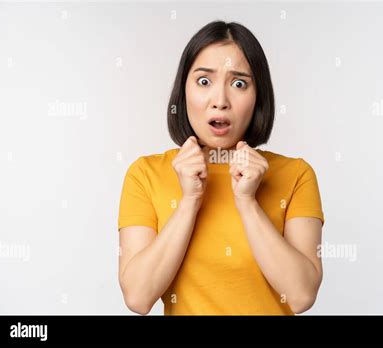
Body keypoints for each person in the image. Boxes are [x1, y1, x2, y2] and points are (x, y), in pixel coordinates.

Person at [117, 20, 325, 315]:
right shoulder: (146, 174)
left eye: (239, 83)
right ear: (183, 90)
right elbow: (138, 297)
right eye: (204, 81)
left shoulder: (296, 175)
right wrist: (189, 201)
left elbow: (301, 295)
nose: (220, 101)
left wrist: (247, 202)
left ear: (258, 97)